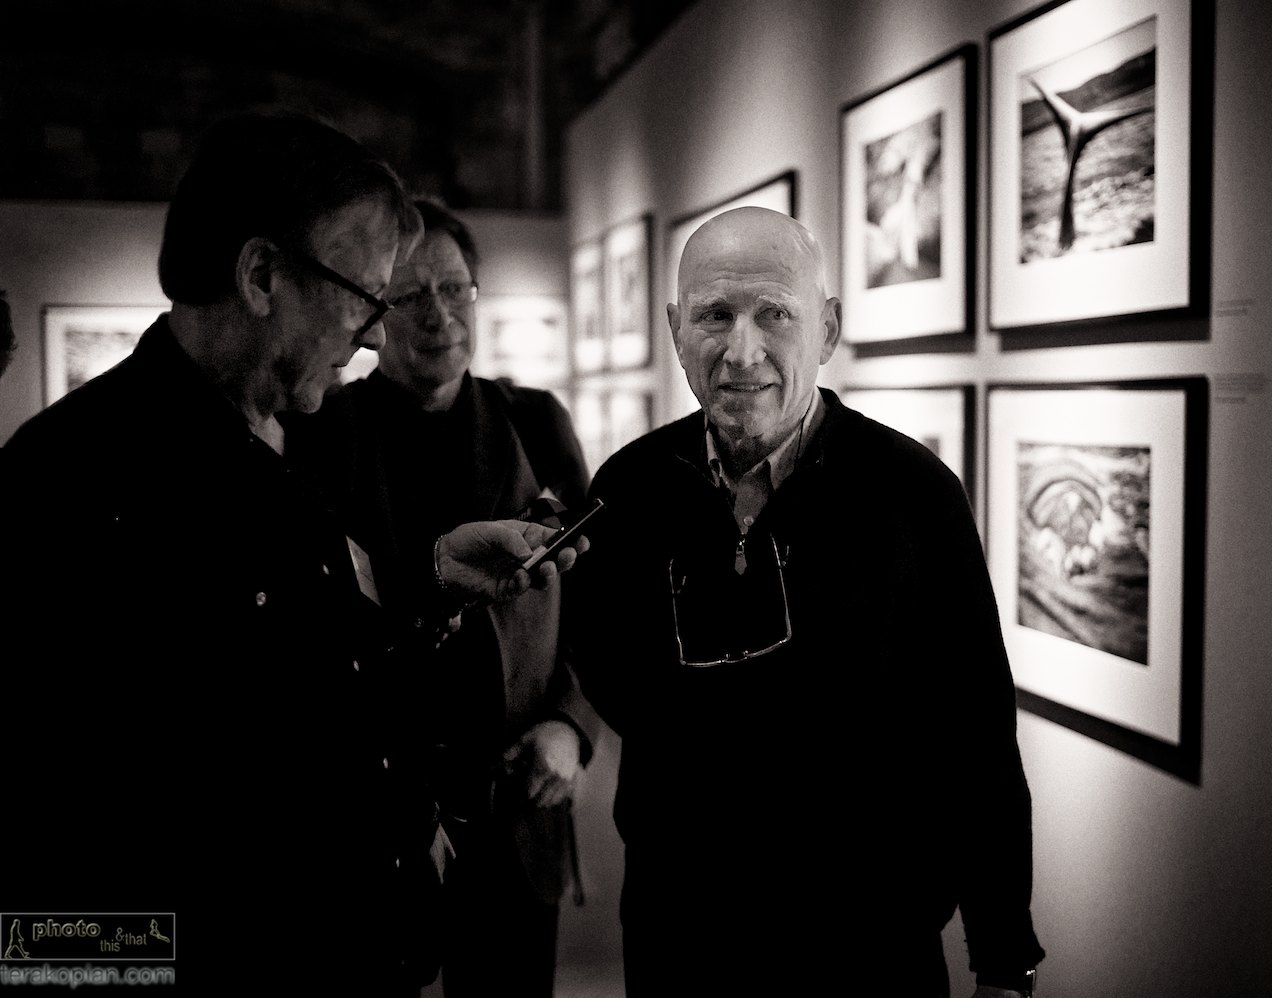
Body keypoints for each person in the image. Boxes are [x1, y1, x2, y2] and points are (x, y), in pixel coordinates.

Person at [0, 111, 582, 994]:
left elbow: (299, 666)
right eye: (365, 298)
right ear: (264, 274)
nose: (380, 335)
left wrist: (429, 578)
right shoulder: (66, 485)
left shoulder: (274, 440)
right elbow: (51, 902)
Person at [568, 207, 1044, 997]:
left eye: (774, 315)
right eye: (714, 315)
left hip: (866, 946)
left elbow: (976, 732)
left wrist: (1003, 954)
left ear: (825, 331)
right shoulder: (631, 486)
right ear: (675, 329)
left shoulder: (913, 496)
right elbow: (604, 661)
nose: (741, 350)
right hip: (681, 939)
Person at [287, 196, 598, 998]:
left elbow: (599, 597)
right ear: (372, 308)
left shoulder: (534, 420)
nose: (439, 314)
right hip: (374, 811)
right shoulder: (322, 431)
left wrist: (570, 724)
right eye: (411, 294)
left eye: (455, 289)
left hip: (518, 791)